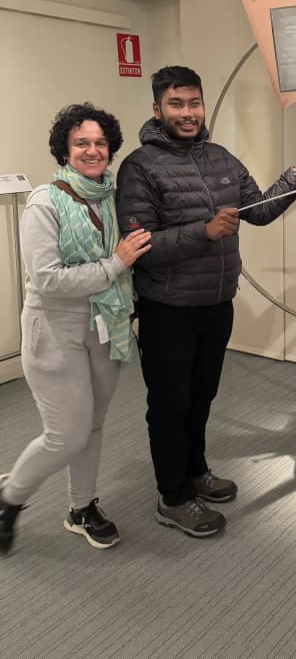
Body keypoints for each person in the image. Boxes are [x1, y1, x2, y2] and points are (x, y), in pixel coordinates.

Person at [115, 65, 296, 538]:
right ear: (157, 109)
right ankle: (172, 496)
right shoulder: (140, 166)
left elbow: (261, 211)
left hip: (217, 303)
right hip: (167, 308)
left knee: (202, 396)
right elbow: (139, 243)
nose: (187, 113)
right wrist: (205, 231)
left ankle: (195, 472)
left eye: (194, 103)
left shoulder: (221, 159)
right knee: (170, 403)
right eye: (176, 104)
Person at [0, 104, 151, 555]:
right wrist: (115, 264)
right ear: (65, 149)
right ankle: (10, 497)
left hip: (106, 323)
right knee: (65, 433)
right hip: (55, 326)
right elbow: (47, 279)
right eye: (81, 142)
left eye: (100, 142)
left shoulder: (113, 195)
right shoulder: (46, 201)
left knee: (93, 425)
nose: (92, 150)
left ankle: (81, 507)